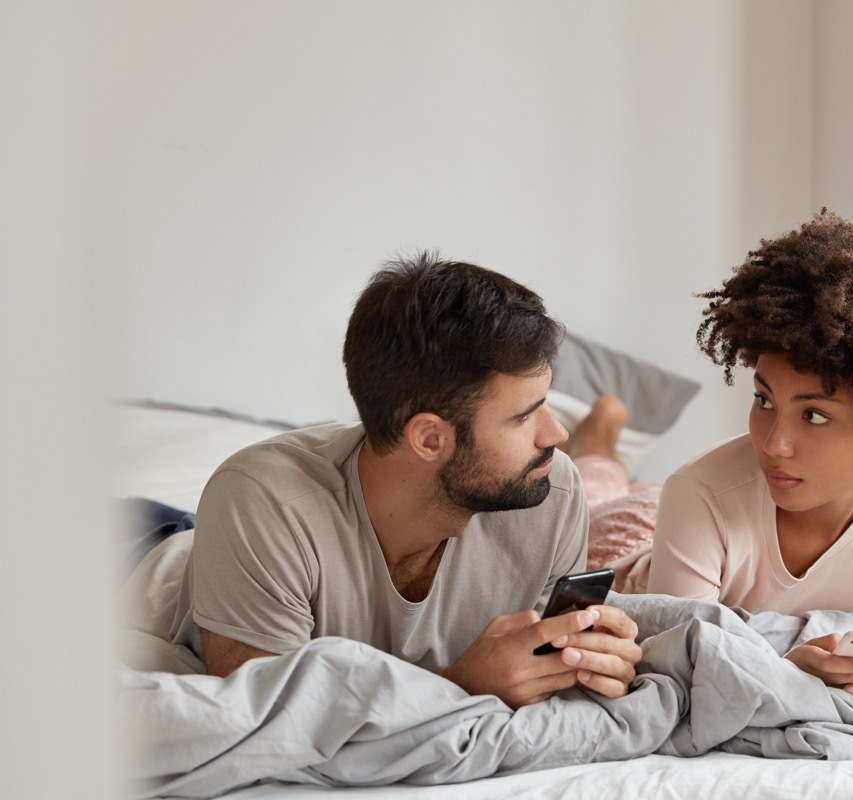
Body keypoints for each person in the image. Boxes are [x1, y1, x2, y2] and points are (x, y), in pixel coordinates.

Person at [163, 253, 642, 708]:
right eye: (524, 417)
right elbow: (263, 720)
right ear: (430, 439)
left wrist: (584, 662)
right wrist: (461, 687)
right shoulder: (265, 502)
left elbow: (542, 669)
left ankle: (604, 430)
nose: (556, 435)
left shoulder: (552, 490)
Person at [588, 210, 853, 712]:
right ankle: (601, 430)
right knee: (595, 486)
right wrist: (787, 672)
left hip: (682, 516)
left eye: (816, 416)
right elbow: (680, 674)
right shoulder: (697, 492)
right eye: (763, 401)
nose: (774, 444)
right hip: (633, 536)